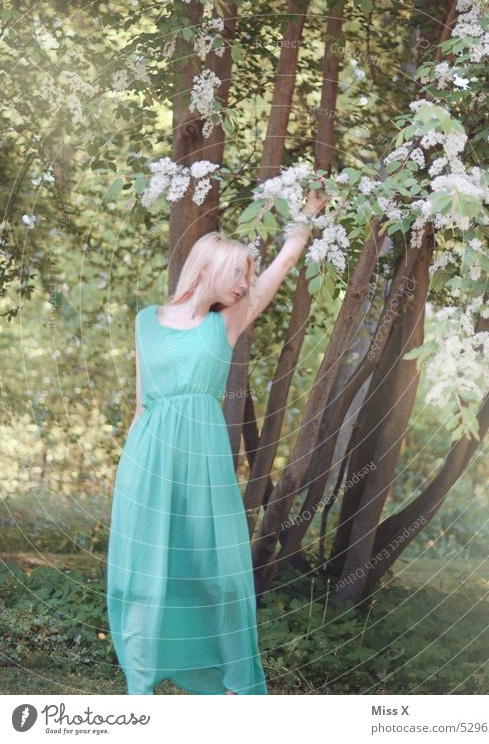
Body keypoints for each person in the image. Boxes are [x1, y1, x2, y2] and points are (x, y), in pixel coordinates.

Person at [106, 184, 328, 695]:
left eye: (248, 275)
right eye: (238, 273)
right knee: (143, 572)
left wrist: (305, 215)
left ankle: (233, 682)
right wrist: (127, 472)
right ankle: (140, 683)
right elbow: (142, 404)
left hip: (204, 462)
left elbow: (281, 267)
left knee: (221, 574)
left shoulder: (227, 322)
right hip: (148, 459)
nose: (245, 283)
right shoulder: (145, 323)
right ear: (208, 269)